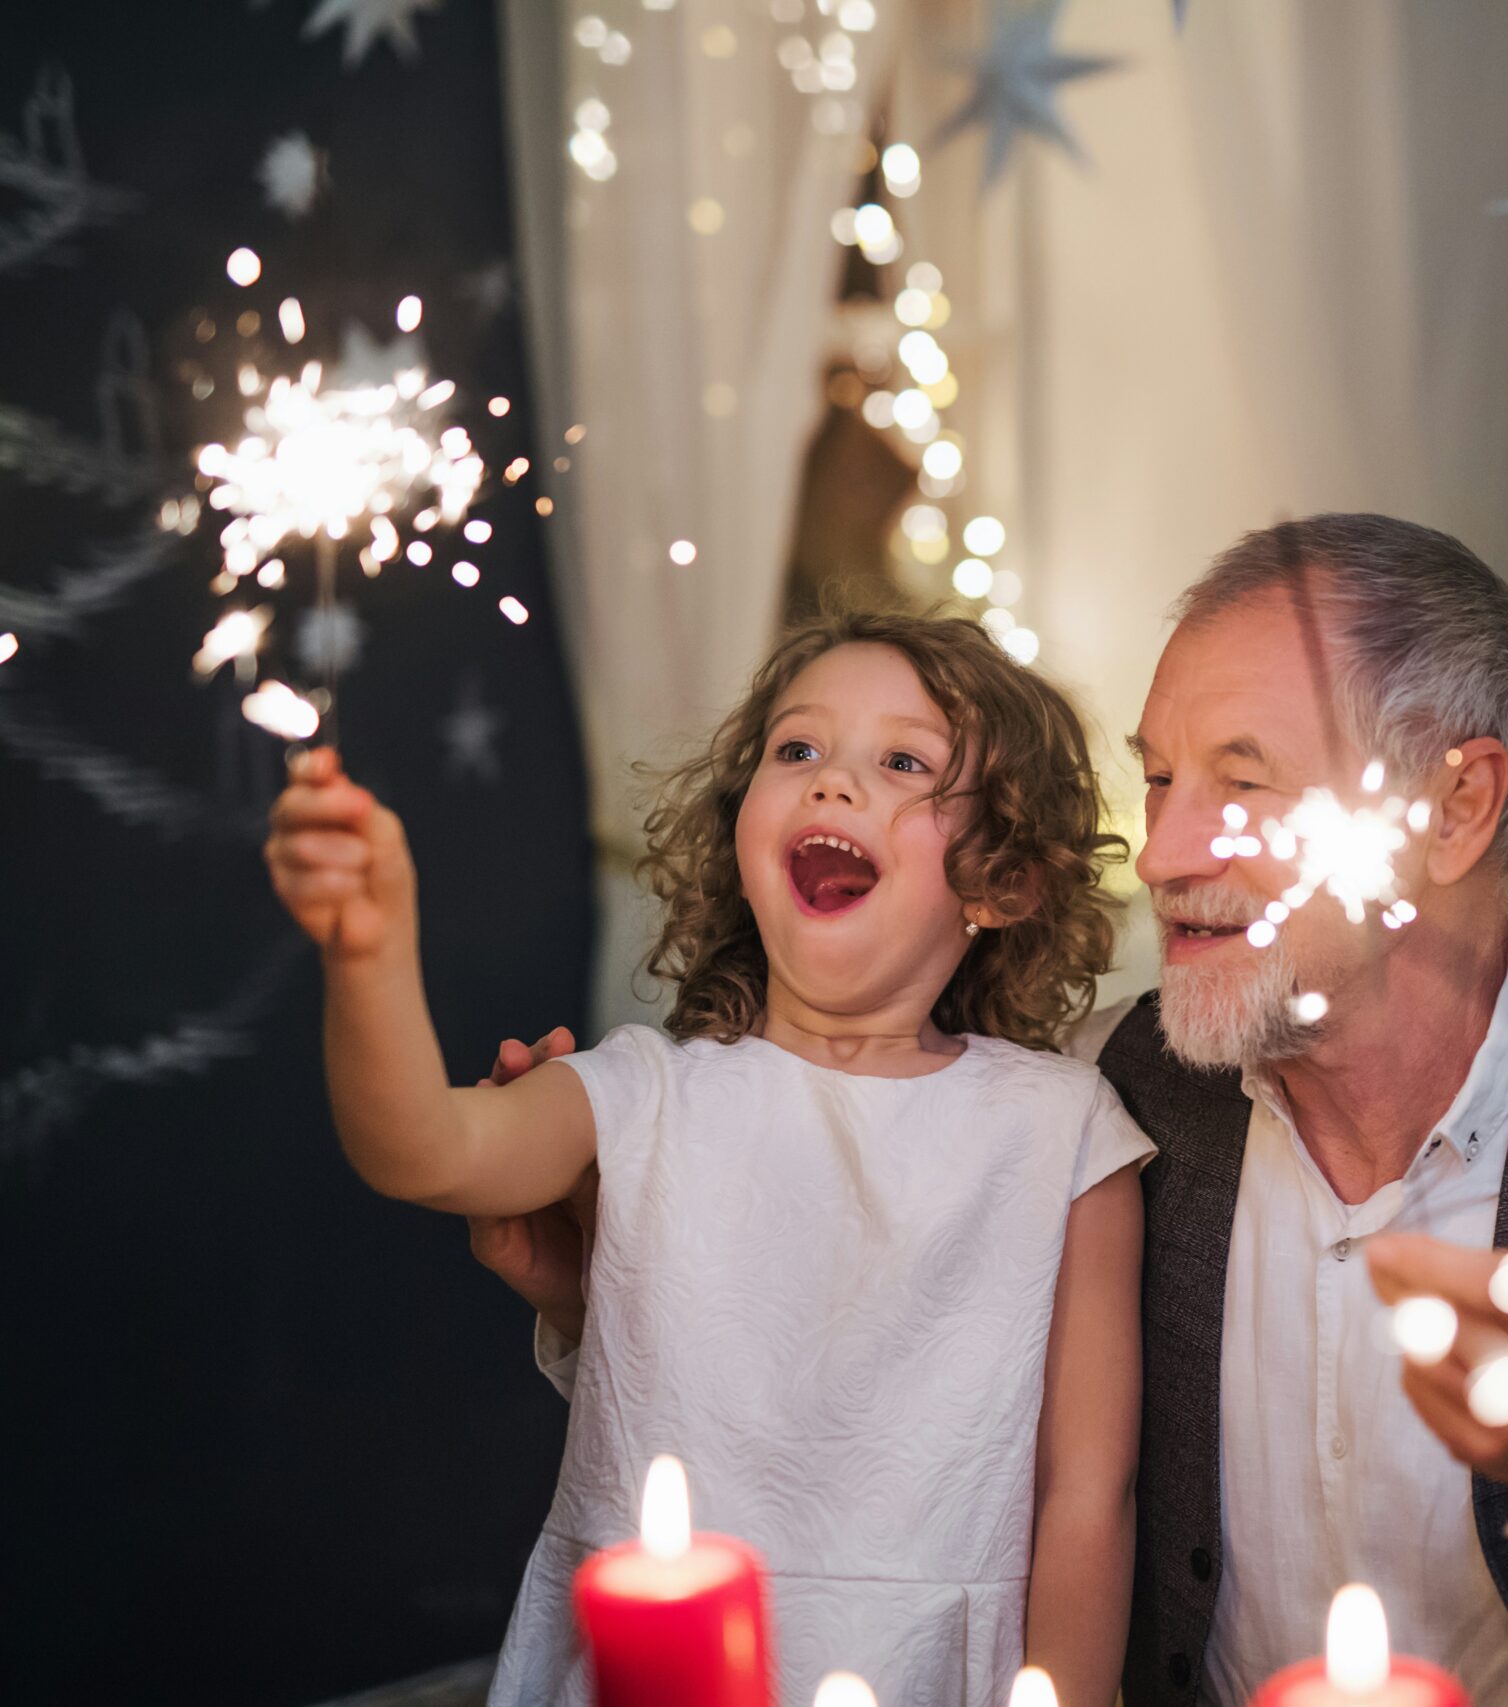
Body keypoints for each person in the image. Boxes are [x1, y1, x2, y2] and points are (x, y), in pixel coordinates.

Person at [482, 515, 1508, 1705]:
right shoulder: (1092, 1100)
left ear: (1458, 807)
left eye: (1243, 782)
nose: (1168, 850)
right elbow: (872, 1404)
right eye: (1158, 778)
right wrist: (597, 1282)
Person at [266, 610, 1151, 1707]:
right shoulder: (644, 1093)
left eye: (903, 762)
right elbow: (424, 1149)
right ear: (739, 834)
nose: (831, 783)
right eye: (797, 749)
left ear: (1004, 881)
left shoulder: (1064, 1130)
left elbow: (1086, 1492)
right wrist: (368, 956)